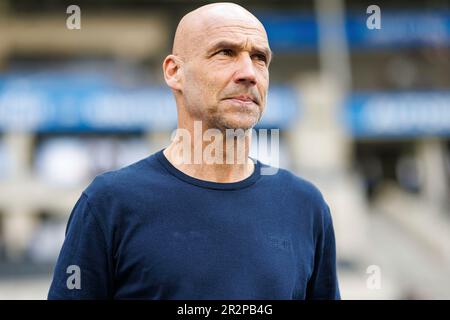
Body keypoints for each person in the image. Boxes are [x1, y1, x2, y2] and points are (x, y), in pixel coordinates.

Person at [48, 2, 340, 300]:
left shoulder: (305, 206)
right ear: (175, 72)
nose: (249, 73)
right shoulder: (109, 203)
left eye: (259, 58)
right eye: (225, 53)